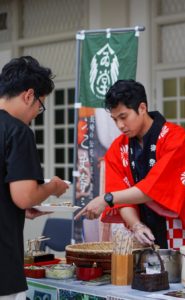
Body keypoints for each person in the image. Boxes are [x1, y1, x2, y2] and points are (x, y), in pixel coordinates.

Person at [75, 79, 185, 250]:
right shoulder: (117, 148)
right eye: (115, 119)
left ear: (142, 108)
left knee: (181, 274)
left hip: (177, 227)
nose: (120, 125)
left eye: (123, 117)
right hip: (139, 232)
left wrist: (106, 199)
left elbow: (156, 188)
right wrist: (136, 226)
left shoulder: (176, 138)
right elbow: (120, 194)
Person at [0, 56, 69, 299]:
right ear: (29, 95)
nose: (37, 113)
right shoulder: (18, 131)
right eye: (40, 105)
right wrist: (52, 186)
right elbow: (24, 196)